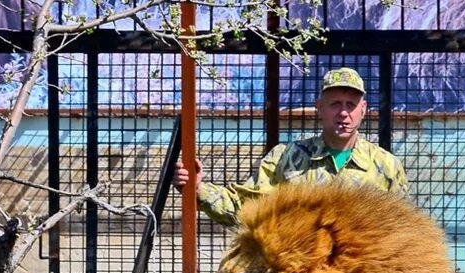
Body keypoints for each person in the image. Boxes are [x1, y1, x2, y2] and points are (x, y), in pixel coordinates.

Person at [173, 67, 409, 226]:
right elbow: (247, 207)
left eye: (351, 104)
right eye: (335, 104)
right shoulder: (287, 157)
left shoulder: (386, 166)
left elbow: (402, 231)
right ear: (320, 107)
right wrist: (198, 190)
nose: (344, 113)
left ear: (364, 109)